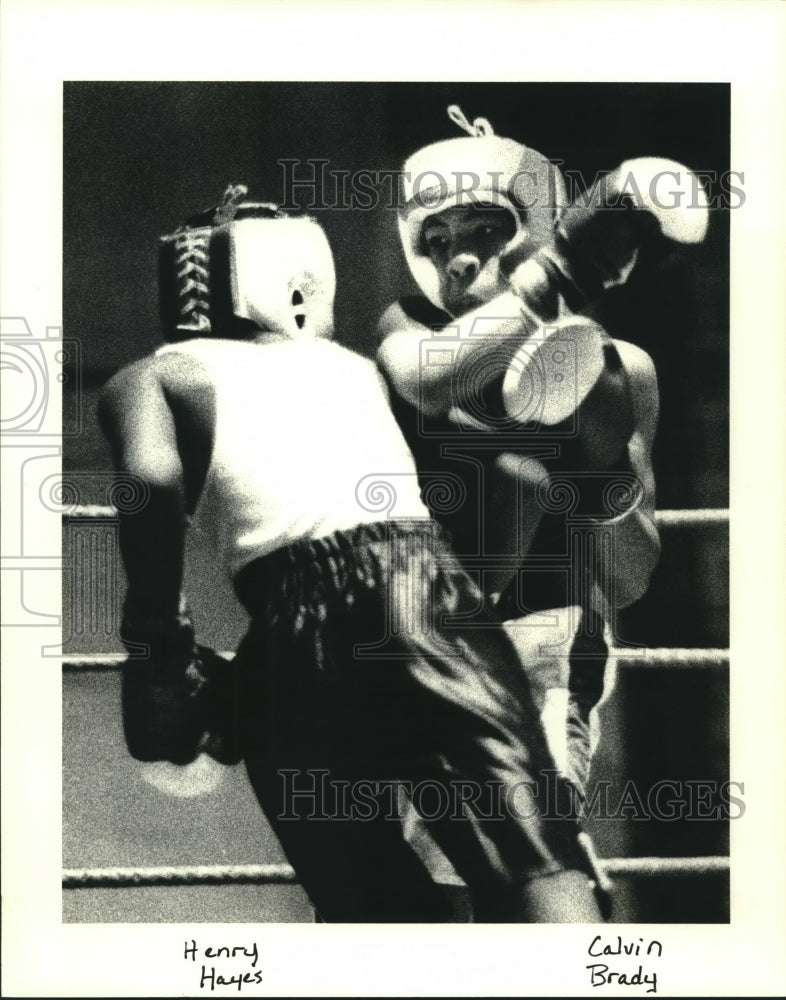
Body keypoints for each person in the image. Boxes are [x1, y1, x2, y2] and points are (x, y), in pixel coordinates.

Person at [98, 184, 605, 923]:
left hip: (282, 638)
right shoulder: (364, 369)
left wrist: (156, 646)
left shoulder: (149, 375)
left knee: (368, 910)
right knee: (533, 866)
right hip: (415, 591)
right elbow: (500, 477)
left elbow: (148, 478)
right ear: (305, 285)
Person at [376, 106, 708, 895]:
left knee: (531, 858)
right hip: (421, 643)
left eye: (483, 229)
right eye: (438, 238)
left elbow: (629, 576)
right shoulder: (402, 337)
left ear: (533, 224)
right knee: (421, 888)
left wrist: (599, 474)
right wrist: (558, 276)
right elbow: (427, 381)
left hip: (550, 638)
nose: (458, 259)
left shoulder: (622, 366)